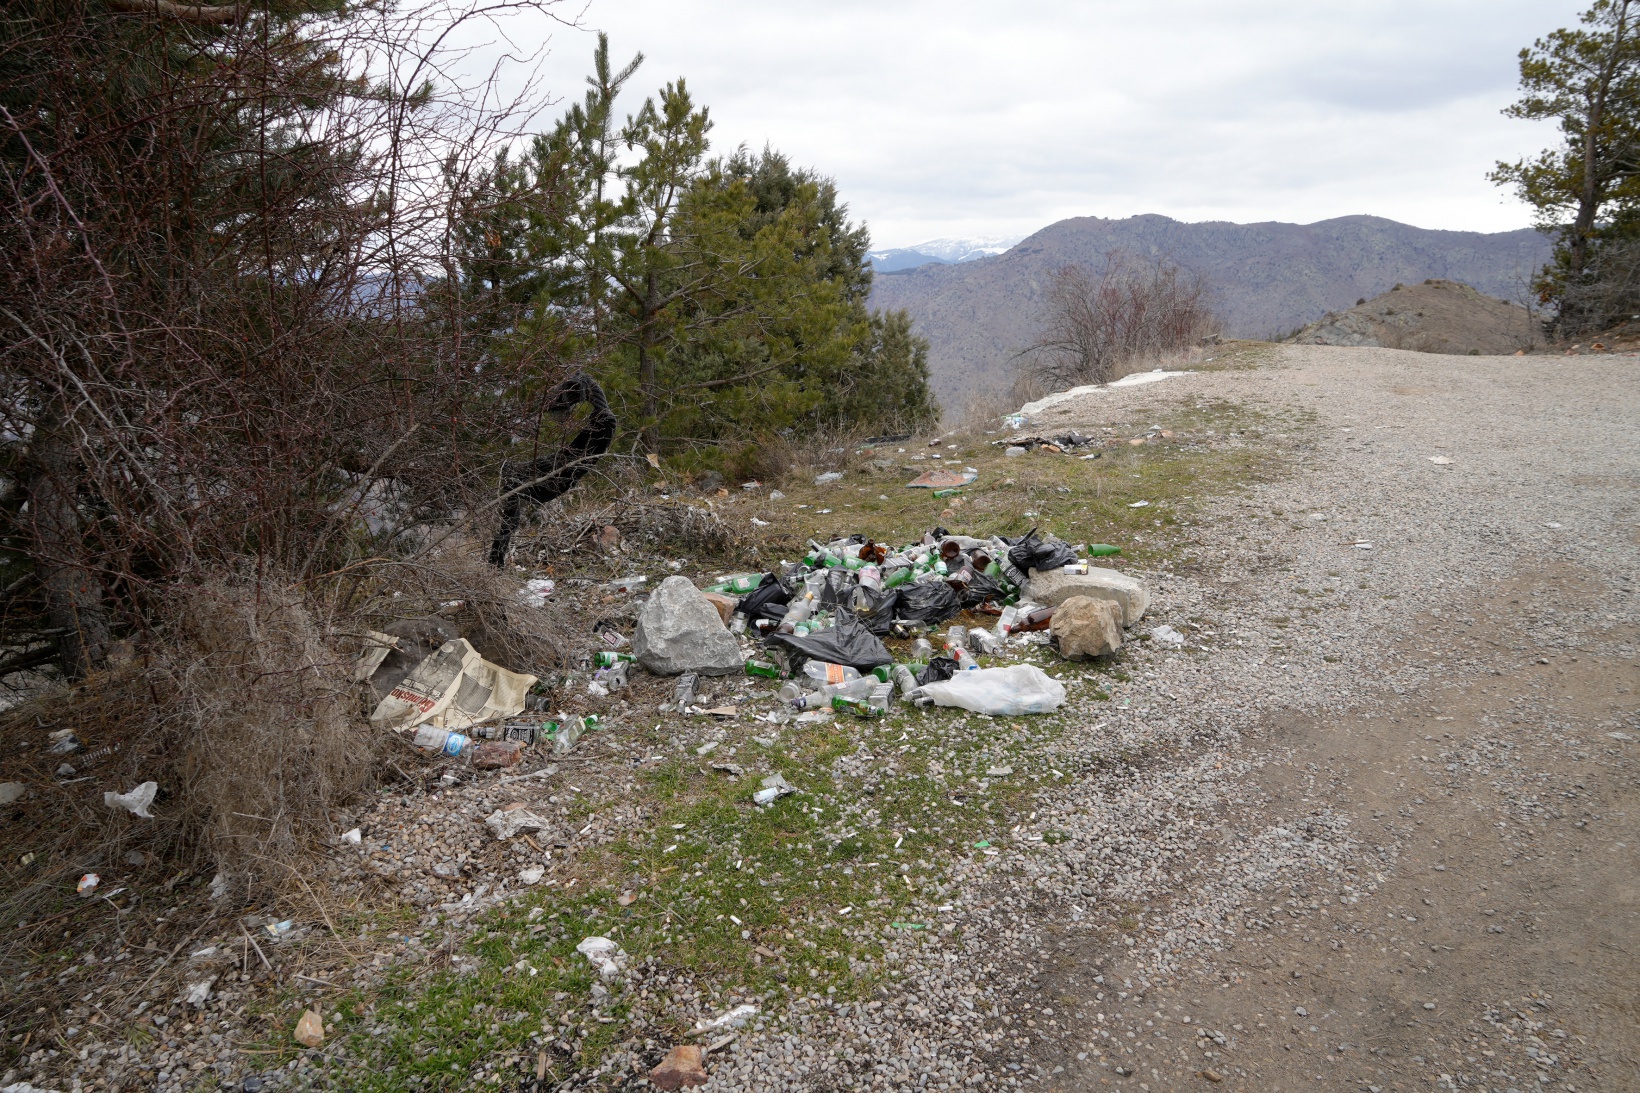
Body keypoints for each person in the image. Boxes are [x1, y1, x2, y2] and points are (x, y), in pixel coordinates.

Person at [488, 373, 616, 566]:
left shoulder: (604, 420)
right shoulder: (602, 418)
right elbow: (573, 454)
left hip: (566, 472)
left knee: (514, 484)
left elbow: (575, 456)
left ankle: (496, 562)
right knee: (513, 488)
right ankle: (496, 561)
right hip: (566, 470)